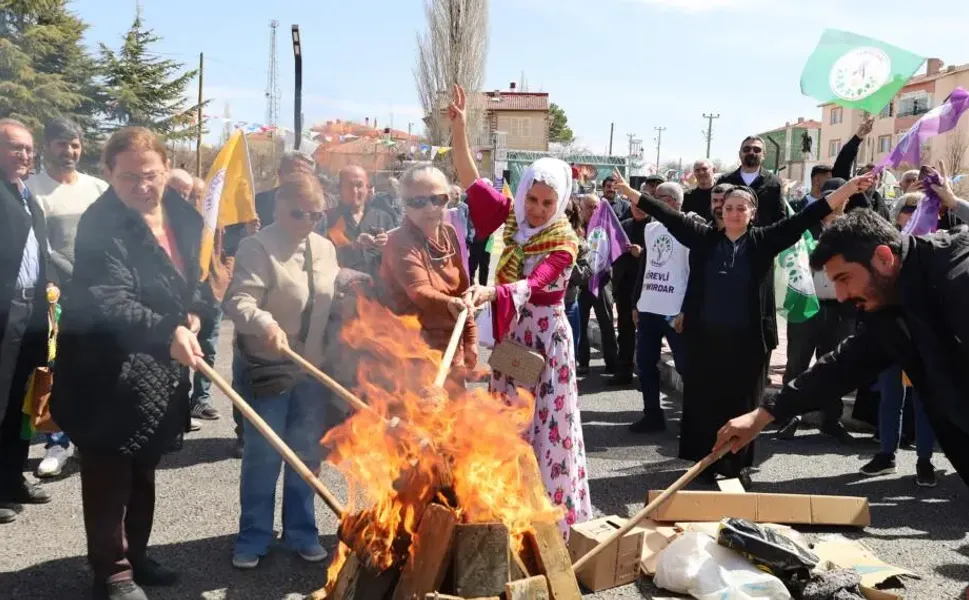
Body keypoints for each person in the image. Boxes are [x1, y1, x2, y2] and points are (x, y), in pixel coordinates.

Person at [715, 164, 969, 489]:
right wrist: (763, 415)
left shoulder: (959, 280)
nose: (841, 295)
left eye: (844, 279)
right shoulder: (890, 299)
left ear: (883, 258)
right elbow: (846, 364)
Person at [613, 168, 873, 482]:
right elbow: (666, 214)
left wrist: (848, 189)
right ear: (720, 211)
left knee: (744, 404)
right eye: (728, 208)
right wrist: (629, 192)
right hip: (705, 339)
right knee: (704, 403)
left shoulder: (765, 240)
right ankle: (704, 463)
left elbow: (809, 215)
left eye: (741, 208)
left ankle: (737, 465)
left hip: (750, 343)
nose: (734, 213)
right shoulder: (704, 238)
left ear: (752, 213)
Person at [51, 127, 214, 600]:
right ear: (107, 174)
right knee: (108, 476)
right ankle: (113, 572)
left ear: (166, 169)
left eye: (151, 175)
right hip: (105, 371)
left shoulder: (182, 215)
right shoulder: (101, 223)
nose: (143, 187)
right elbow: (110, 299)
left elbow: (199, 278)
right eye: (129, 178)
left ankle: (137, 555)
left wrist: (196, 313)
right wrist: (169, 330)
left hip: (159, 370)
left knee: (144, 468)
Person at [449, 85, 591, 537]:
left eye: (548, 203)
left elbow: (538, 282)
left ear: (561, 203)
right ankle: (503, 511)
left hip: (545, 343)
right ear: (525, 191)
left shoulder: (564, 241)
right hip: (514, 340)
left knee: (547, 429)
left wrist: (493, 293)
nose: (537, 208)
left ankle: (548, 522)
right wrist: (458, 128)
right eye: (532, 198)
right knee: (504, 424)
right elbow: (472, 182)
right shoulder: (511, 220)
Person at [222, 171, 338, 570]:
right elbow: (237, 301)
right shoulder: (257, 246)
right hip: (268, 366)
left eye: (316, 215)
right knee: (264, 455)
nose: (307, 222)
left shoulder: (325, 248)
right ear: (278, 208)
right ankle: (253, 536)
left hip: (311, 368)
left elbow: (327, 295)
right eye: (298, 213)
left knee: (306, 454)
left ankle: (301, 531)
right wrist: (266, 323)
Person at [27, 117, 108, 478]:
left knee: (97, 367)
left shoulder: (97, 188)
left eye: (74, 144)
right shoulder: (33, 190)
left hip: (99, 295)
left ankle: (91, 437)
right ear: (47, 147)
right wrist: (72, 279)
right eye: (61, 143)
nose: (69, 151)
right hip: (55, 295)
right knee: (55, 370)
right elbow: (39, 247)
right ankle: (57, 443)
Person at [0, 119, 58, 524]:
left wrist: (51, 282)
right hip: (4, 314)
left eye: (28, 148)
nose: (25, 155)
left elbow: (38, 250)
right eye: (15, 147)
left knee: (23, 402)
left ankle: (13, 477)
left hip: (33, 312)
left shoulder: (26, 195)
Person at [775, 177, 857, 443]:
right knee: (797, 363)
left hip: (840, 308)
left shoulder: (853, 229)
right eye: (831, 197)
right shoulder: (805, 228)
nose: (837, 202)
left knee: (836, 366)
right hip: (806, 305)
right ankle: (789, 417)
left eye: (841, 197)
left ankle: (830, 420)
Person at [380, 166, 478, 384]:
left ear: (449, 199)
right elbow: (419, 291)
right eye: (418, 202)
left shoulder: (450, 233)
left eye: (438, 199)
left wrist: (470, 338)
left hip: (451, 350)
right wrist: (452, 303)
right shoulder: (399, 242)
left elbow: (464, 292)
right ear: (404, 205)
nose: (430, 208)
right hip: (412, 355)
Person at [628, 183, 689, 434]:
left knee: (687, 367)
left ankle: (693, 417)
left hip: (675, 311)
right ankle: (652, 414)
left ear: (675, 202)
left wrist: (686, 309)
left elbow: (695, 274)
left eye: (658, 198)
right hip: (649, 308)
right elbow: (646, 268)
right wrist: (636, 303)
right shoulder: (651, 229)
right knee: (645, 363)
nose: (652, 203)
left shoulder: (689, 229)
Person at [324, 165, 396, 278]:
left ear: (368, 188)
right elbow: (320, 258)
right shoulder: (326, 219)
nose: (354, 191)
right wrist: (354, 247)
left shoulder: (384, 218)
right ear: (339, 189)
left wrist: (388, 246)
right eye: (349, 186)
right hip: (343, 290)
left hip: (377, 289)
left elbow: (396, 259)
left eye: (359, 185)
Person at [575, 193, 618, 376]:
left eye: (596, 207)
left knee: (607, 322)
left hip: (602, 281)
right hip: (582, 284)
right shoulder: (574, 229)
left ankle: (612, 362)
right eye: (589, 207)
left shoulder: (606, 227)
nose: (593, 211)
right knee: (580, 322)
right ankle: (582, 361)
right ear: (581, 208)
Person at [609, 198, 651, 386]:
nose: (638, 209)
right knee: (625, 330)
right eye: (635, 205)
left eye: (642, 206)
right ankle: (623, 371)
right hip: (624, 287)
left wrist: (641, 254)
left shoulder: (654, 228)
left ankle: (645, 375)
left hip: (647, 287)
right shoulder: (624, 226)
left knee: (646, 333)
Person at [564, 198, 592, 357]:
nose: (562, 216)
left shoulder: (579, 243)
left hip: (567, 305)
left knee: (567, 358)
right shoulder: (532, 237)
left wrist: (566, 259)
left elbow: (585, 275)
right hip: (533, 308)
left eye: (567, 212)